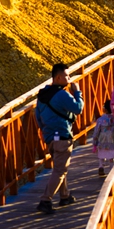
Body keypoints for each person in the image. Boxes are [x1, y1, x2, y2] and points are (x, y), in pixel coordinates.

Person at [34, 62, 83, 214]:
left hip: (50, 137)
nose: (69, 78)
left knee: (60, 167)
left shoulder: (43, 94)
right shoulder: (62, 94)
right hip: (62, 136)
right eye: (67, 76)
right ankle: (45, 200)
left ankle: (65, 196)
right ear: (58, 77)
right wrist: (77, 93)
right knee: (60, 170)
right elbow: (78, 109)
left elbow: (38, 117)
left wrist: (46, 131)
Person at [92, 100, 114, 177]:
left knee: (101, 153)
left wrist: (94, 141)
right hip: (112, 138)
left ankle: (101, 166)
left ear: (105, 109)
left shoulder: (100, 119)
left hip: (102, 138)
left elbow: (97, 131)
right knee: (111, 155)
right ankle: (112, 169)